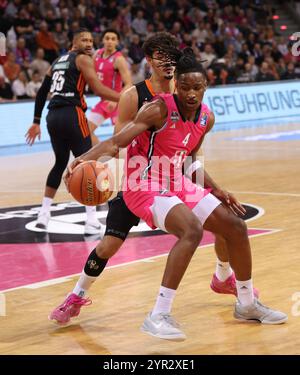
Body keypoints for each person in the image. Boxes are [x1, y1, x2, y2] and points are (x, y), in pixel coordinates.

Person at [50, 47, 287, 339]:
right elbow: (116, 142)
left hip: (176, 180)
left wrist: (216, 189)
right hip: (143, 182)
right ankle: (158, 314)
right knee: (191, 230)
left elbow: (188, 161)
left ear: (205, 88)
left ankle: (247, 303)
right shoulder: (158, 108)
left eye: (197, 88)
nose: (190, 93)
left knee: (235, 226)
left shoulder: (206, 119)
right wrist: (84, 158)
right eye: (184, 86)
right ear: (177, 84)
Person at [25, 29, 120, 235]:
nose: (88, 43)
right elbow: (98, 89)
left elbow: (43, 91)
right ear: (73, 42)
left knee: (60, 163)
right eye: (84, 40)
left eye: (90, 40)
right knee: (87, 163)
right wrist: (125, 97)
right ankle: (91, 220)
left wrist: (36, 121)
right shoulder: (83, 59)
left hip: (53, 117)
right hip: (72, 114)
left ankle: (44, 214)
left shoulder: (57, 61)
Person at [87, 29, 132, 146]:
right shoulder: (96, 54)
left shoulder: (119, 59)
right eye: (107, 38)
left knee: (120, 140)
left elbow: (129, 84)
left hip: (117, 103)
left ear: (117, 42)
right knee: (86, 132)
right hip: (103, 102)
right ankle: (100, 159)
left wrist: (116, 100)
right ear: (102, 40)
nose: (109, 41)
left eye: (113, 39)